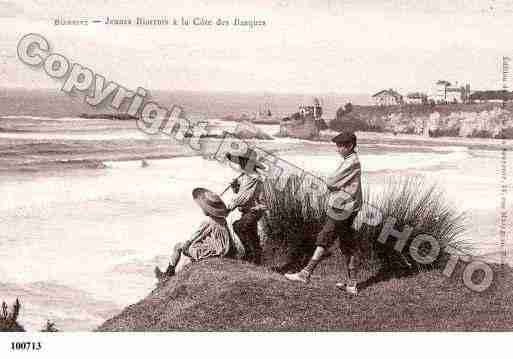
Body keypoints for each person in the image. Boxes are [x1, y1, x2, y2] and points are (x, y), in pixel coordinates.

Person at [285, 131, 363, 295]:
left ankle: (305, 273)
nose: (338, 149)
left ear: (349, 146)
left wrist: (333, 185)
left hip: (342, 207)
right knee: (346, 243)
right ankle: (352, 284)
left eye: (340, 146)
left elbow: (331, 181)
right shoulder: (351, 159)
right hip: (349, 206)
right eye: (337, 146)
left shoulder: (351, 162)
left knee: (325, 237)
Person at [154, 188, 238, 282]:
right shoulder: (222, 220)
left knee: (178, 246)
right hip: (223, 249)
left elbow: (196, 235)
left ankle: (169, 273)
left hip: (215, 251)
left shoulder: (208, 222)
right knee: (194, 245)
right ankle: (171, 272)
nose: (202, 209)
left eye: (203, 208)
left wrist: (187, 243)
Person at [225, 149, 267, 265]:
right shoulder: (246, 176)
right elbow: (241, 193)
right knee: (252, 233)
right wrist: (235, 187)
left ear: (250, 164)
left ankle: (250, 254)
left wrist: (228, 208)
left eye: (244, 162)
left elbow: (243, 197)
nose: (241, 164)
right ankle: (257, 260)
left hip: (255, 210)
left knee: (238, 226)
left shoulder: (253, 177)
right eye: (241, 162)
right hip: (249, 210)